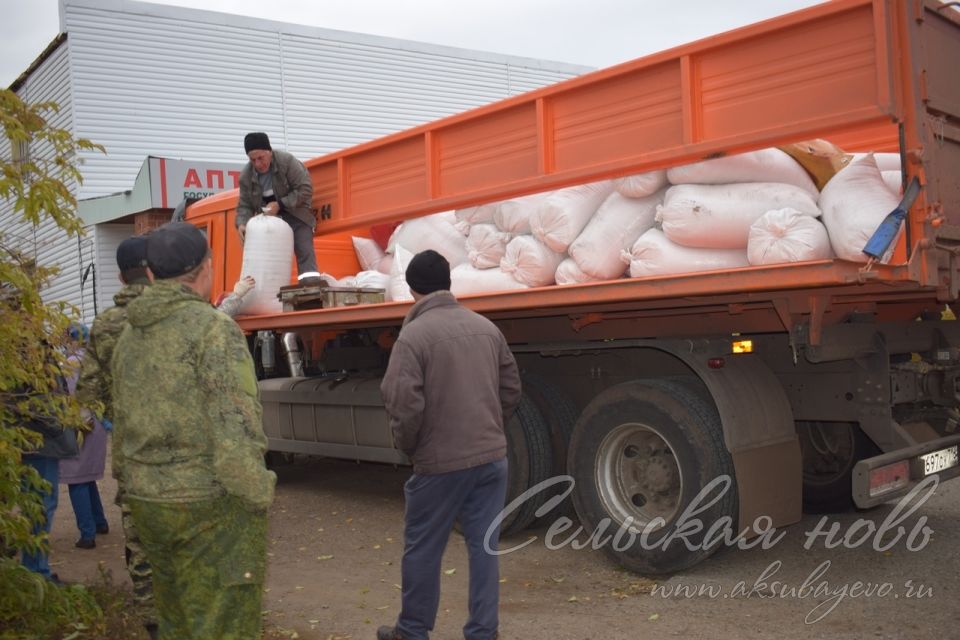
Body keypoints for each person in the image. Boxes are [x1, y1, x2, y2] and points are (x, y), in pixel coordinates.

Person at [111, 222, 276, 640]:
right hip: (208, 507)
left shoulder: (129, 335)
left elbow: (122, 418)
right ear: (206, 269)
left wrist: (130, 483)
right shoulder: (212, 330)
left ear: (150, 274)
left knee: (177, 619)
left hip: (148, 499)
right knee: (225, 622)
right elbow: (235, 423)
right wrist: (257, 495)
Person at [378, 250, 522, 640]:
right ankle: (483, 631)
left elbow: (403, 404)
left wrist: (413, 448)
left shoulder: (412, 337)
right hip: (491, 458)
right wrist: (490, 427)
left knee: (423, 548)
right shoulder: (486, 328)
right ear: (449, 285)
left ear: (411, 289)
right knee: (484, 547)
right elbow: (511, 388)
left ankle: (412, 630)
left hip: (440, 463)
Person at [76, 235, 157, 637]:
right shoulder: (179, 317)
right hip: (184, 453)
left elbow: (87, 392)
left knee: (140, 539)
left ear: (119, 276)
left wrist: (113, 413)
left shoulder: (106, 325)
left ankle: (152, 620)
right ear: (155, 270)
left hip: (131, 451)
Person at [235, 131, 319, 281]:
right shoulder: (246, 176)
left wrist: (280, 204)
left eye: (261, 158)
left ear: (269, 151)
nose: (258, 164)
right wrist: (242, 223)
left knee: (304, 250)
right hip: (269, 221)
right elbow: (244, 205)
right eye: (253, 160)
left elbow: (305, 189)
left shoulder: (287, 162)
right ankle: (272, 293)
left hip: (297, 214)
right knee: (269, 259)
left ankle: (310, 287)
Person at [61, 323, 110, 550]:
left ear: (72, 339)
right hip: (98, 423)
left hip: (81, 425)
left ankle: (87, 534)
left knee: (76, 479)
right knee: (87, 477)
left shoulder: (71, 363)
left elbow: (72, 396)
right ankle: (100, 522)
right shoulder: (95, 360)